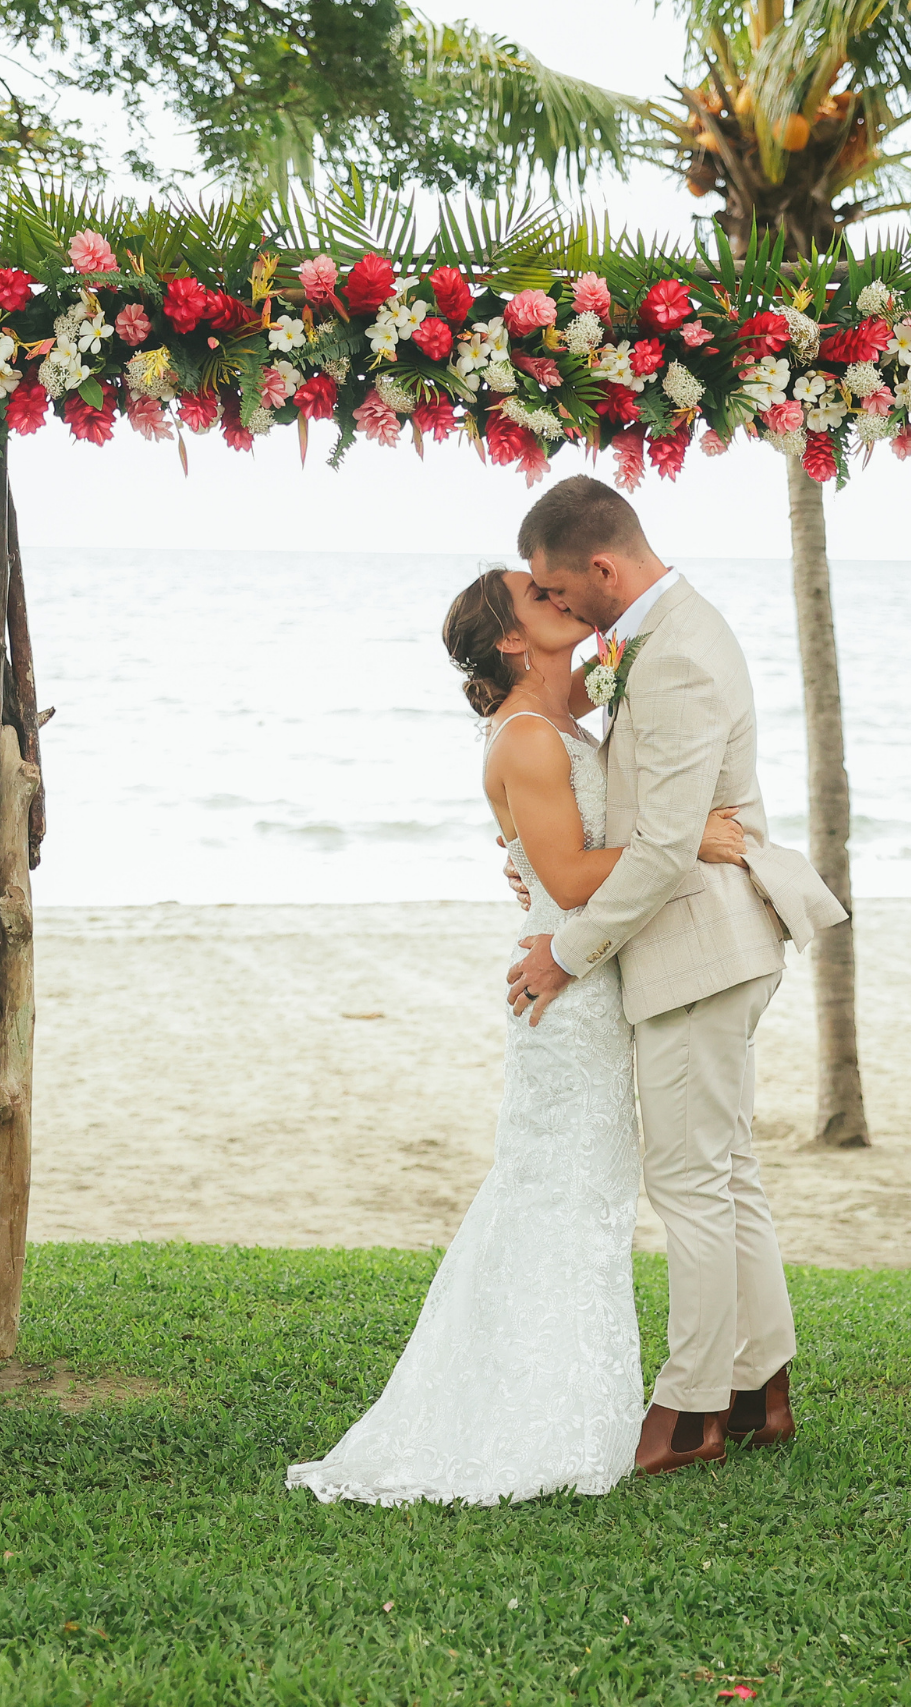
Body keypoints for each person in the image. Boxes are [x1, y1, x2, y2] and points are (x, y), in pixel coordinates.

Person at [286, 565, 750, 1505]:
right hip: (566, 994)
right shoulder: (529, 739)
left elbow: (638, 656)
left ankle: (574, 1395)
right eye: (538, 595)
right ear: (509, 639)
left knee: (584, 1193)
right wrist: (686, 836)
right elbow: (575, 881)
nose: (561, 596)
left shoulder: (565, 702)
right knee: (561, 1192)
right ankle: (535, 1414)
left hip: (591, 970)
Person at [504, 476, 847, 1477]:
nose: (557, 609)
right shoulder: (657, 640)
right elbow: (654, 825)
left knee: (690, 1185)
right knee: (726, 1176)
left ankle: (691, 1409)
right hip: (710, 940)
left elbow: (661, 855)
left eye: (558, 591)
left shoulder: (679, 655)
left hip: (700, 945)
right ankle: (757, 1391)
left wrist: (563, 954)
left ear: (601, 569)